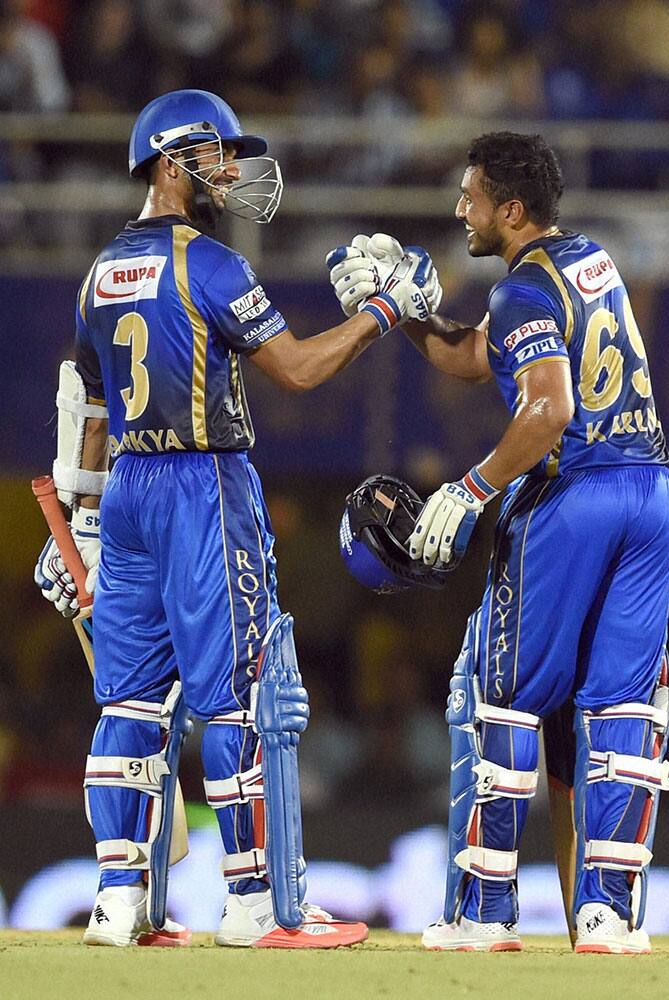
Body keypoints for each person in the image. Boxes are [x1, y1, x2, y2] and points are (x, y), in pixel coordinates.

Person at [33, 88, 438, 948]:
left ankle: (117, 901)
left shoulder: (100, 271)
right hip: (203, 487)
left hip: (130, 491)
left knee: (130, 701)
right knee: (239, 696)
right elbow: (294, 371)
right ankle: (253, 904)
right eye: (214, 153)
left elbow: (91, 411)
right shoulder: (210, 264)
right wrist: (383, 313)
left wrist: (79, 525)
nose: (228, 169)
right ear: (173, 161)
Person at [329, 132, 669, 954]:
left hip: (574, 493)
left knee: (498, 697)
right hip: (651, 492)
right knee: (621, 707)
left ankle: (484, 915)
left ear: (510, 209)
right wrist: (408, 318)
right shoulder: (589, 259)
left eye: (471, 197)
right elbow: (483, 357)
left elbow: (549, 409)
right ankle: (607, 917)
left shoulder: (523, 289)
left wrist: (473, 485)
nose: (461, 209)